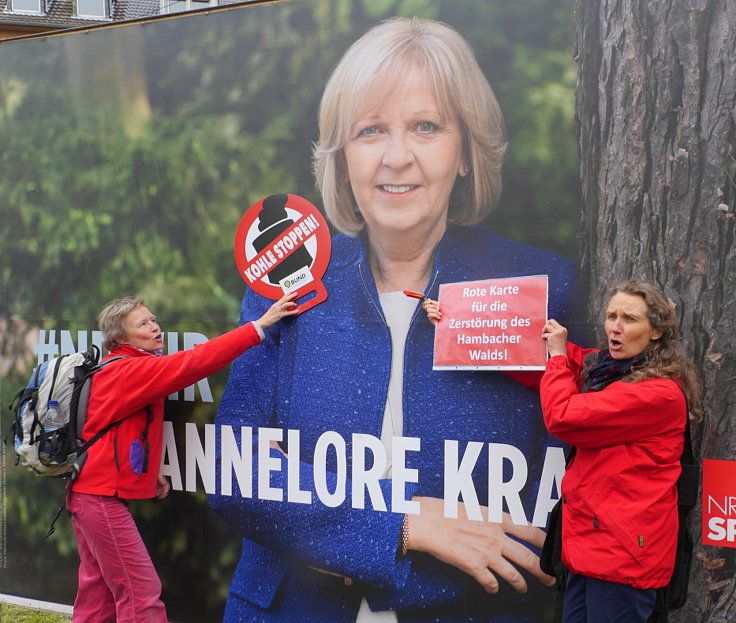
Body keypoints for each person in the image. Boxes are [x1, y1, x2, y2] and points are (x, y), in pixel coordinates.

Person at [210, 16, 583, 622]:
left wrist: (303, 500)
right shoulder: (290, 286)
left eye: (426, 127)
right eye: (370, 130)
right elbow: (237, 470)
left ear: (465, 151)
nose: (396, 156)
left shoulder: (544, 291)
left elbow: (564, 495)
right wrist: (408, 522)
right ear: (342, 158)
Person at [66, 292, 298, 623]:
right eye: (142, 324)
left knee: (98, 595)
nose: (154, 327)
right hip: (100, 501)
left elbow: (113, 432)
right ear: (120, 337)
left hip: (87, 495)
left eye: (153, 319)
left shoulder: (115, 368)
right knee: (140, 595)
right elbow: (196, 361)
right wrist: (259, 326)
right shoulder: (132, 369)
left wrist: (147, 473)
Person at [537, 280, 702, 623]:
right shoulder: (608, 373)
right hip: (588, 548)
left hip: (623, 558)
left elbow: (561, 416)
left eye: (629, 319)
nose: (615, 326)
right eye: (611, 315)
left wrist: (556, 357)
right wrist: (459, 329)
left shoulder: (659, 394)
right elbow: (552, 361)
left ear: (656, 332)